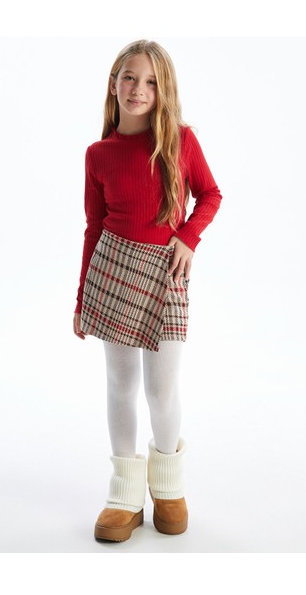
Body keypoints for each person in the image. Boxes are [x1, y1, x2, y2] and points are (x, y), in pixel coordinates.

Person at [73, 39, 222, 542]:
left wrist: (188, 237)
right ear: (114, 83)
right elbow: (94, 227)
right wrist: (81, 299)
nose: (139, 89)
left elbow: (210, 194)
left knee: (161, 389)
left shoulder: (180, 141)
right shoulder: (98, 155)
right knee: (120, 384)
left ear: (164, 91)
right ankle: (124, 496)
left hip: (165, 275)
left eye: (152, 82)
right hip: (112, 271)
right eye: (130, 78)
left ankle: (169, 488)